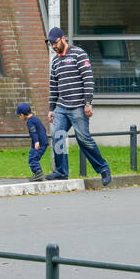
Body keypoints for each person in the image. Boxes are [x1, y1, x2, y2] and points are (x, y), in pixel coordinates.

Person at [42, 27, 111, 185]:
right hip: (61, 107)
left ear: (63, 38)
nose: (53, 46)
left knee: (84, 139)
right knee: (57, 135)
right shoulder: (55, 61)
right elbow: (53, 87)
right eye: (51, 44)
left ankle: (103, 169)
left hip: (78, 106)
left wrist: (88, 102)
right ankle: (61, 172)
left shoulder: (79, 54)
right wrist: (51, 109)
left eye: (55, 42)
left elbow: (88, 79)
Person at [17, 102, 49, 181]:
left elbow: (33, 131)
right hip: (44, 142)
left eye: (19, 115)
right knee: (34, 157)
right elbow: (43, 129)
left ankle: (38, 173)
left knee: (32, 158)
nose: (19, 117)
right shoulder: (35, 119)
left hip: (39, 143)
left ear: (22, 114)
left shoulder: (29, 121)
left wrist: (36, 142)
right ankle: (37, 174)